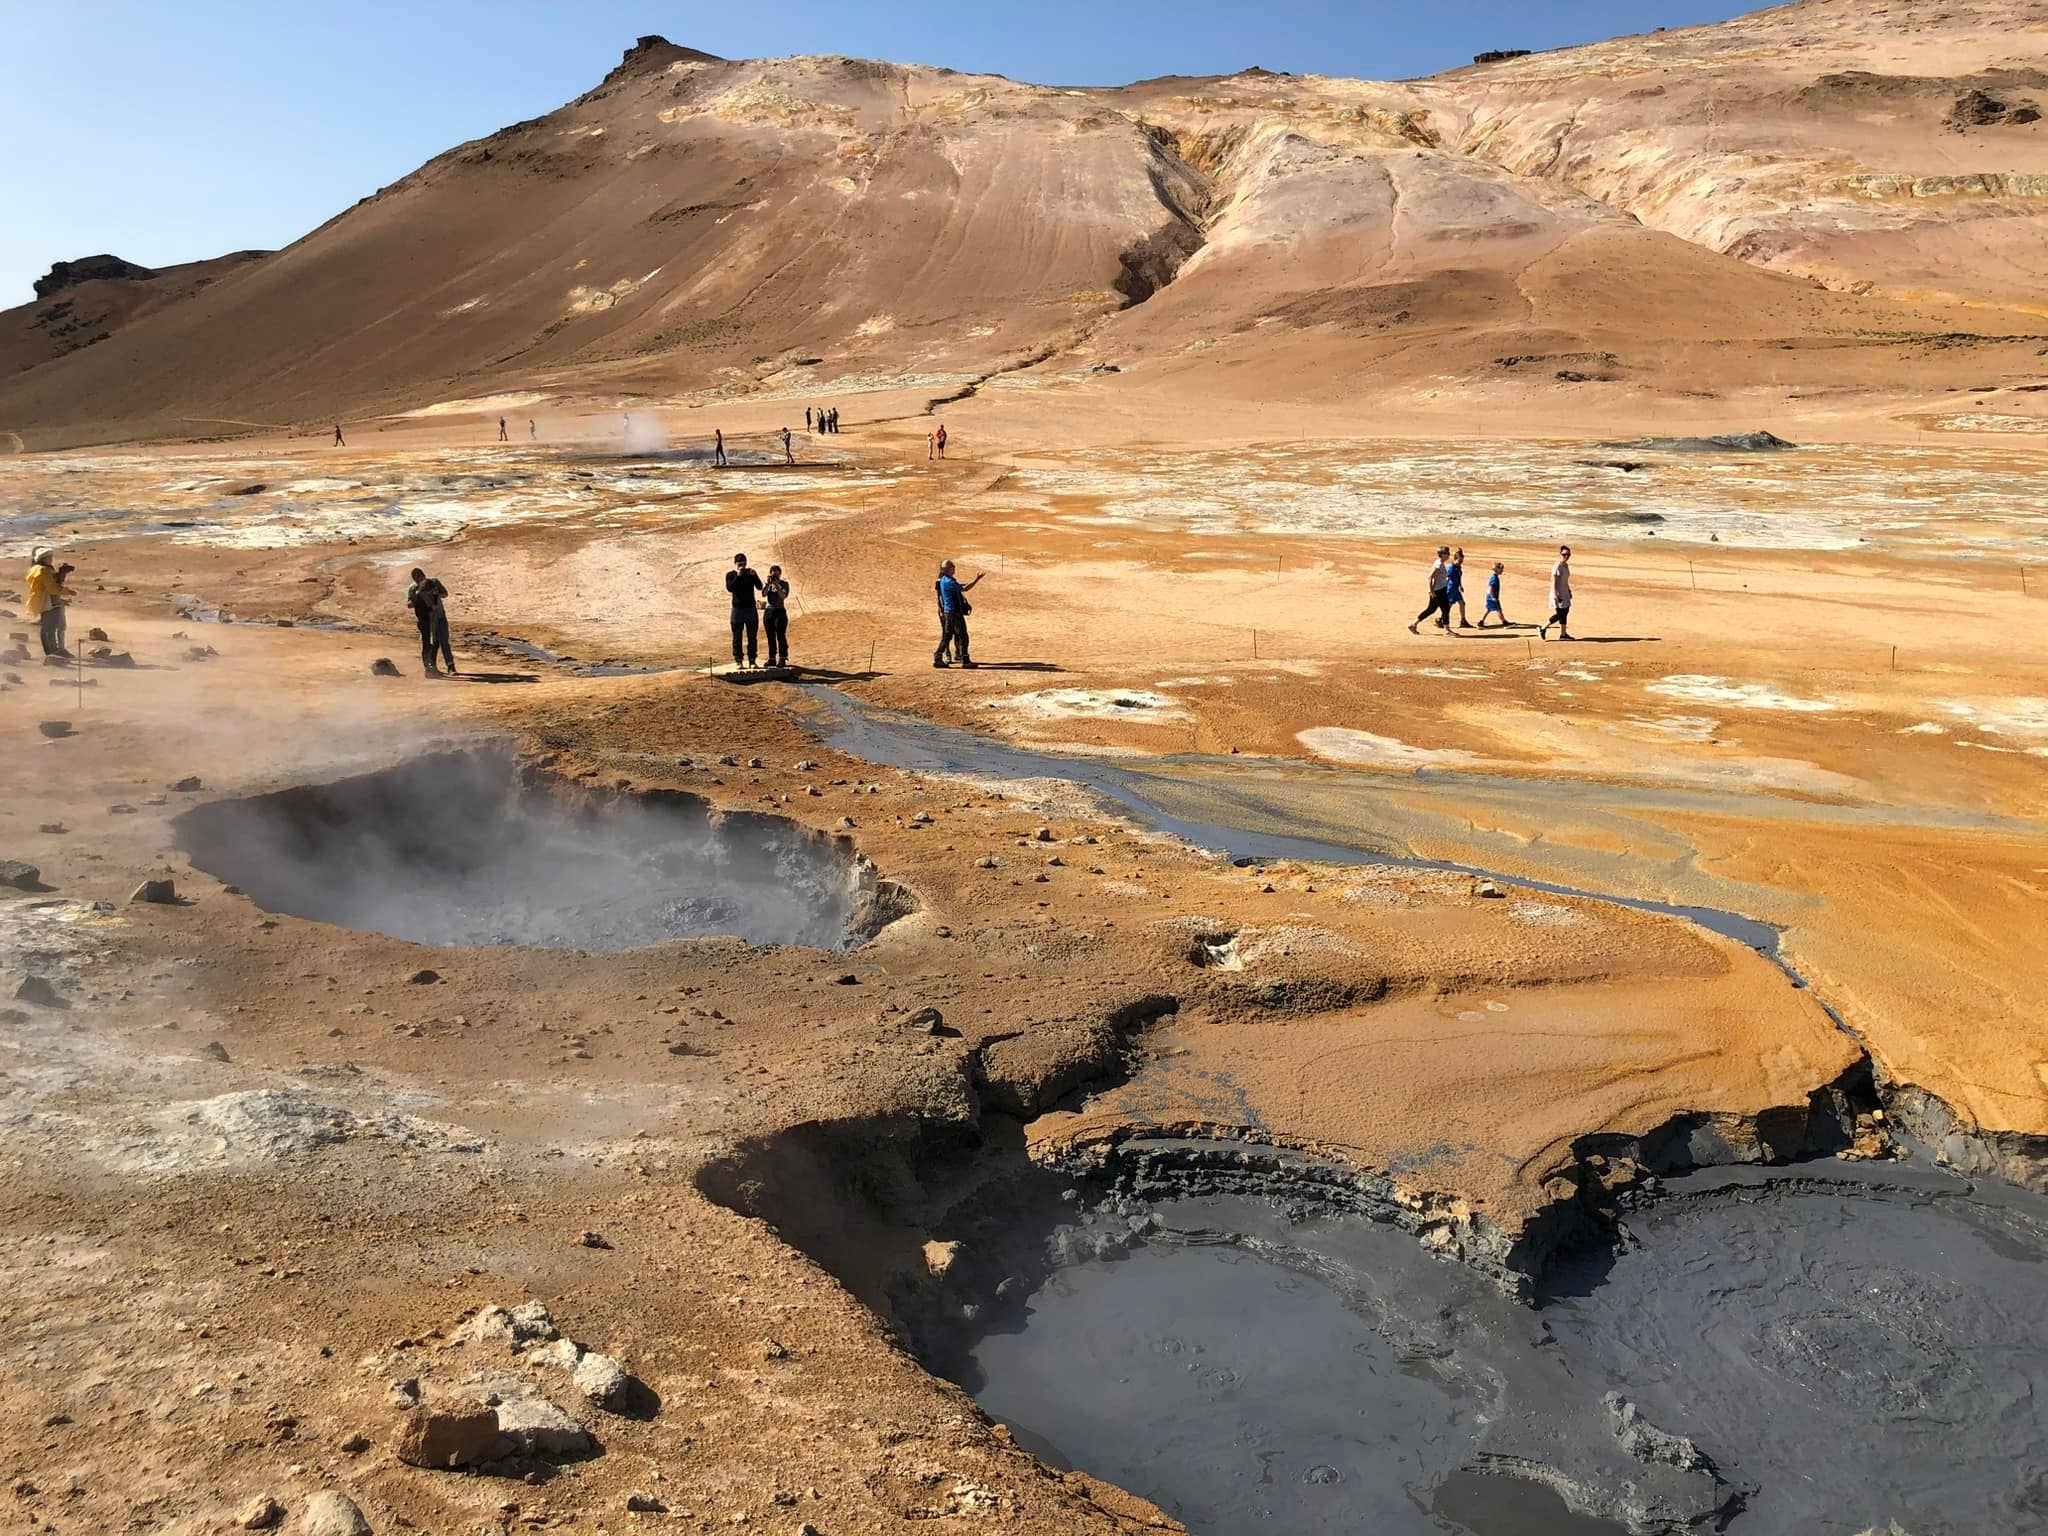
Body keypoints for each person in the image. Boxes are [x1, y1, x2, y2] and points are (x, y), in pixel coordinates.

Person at [933, 559, 983, 668]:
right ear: (948, 569)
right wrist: (976, 579)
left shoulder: (944, 580)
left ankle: (937, 658)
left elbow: (959, 586)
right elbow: (964, 588)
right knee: (963, 636)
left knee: (946, 637)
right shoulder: (948, 582)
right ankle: (965, 660)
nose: (954, 568)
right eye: (952, 566)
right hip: (954, 613)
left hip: (948, 612)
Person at [406, 567, 456, 676]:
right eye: (417, 579)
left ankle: (446, 666)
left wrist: (435, 593)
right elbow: (409, 605)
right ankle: (428, 668)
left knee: (441, 641)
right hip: (424, 620)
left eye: (421, 577)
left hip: (439, 616)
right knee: (428, 644)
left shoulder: (433, 582)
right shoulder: (413, 589)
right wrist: (418, 595)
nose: (420, 580)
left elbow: (445, 594)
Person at [25, 550, 75, 657]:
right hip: (48, 601)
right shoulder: (43, 570)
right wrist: (67, 591)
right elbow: (52, 588)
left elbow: (52, 583)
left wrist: (61, 574)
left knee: (55, 626)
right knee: (50, 628)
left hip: (49, 600)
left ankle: (57, 650)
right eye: (49, 557)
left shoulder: (38, 569)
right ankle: (53, 652)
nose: (51, 559)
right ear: (44, 558)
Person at [726, 552, 764, 667]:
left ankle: (752, 660)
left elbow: (760, 587)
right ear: (735, 564)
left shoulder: (750, 573)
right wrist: (738, 575)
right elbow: (730, 588)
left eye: (744, 564)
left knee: (752, 636)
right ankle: (738, 660)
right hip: (737, 610)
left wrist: (755, 575)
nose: (742, 566)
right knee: (737, 637)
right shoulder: (731, 575)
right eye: (740, 564)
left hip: (750, 609)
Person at [1408, 546, 1455, 635]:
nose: (1448, 555)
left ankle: (1413, 624)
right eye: (1447, 553)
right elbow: (1430, 577)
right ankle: (1447, 630)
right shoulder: (1439, 565)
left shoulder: (1440, 563)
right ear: (1442, 554)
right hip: (1438, 591)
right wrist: (1431, 591)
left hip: (1438, 589)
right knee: (1445, 609)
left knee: (1431, 609)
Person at [1540, 545, 1574, 641]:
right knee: (1559, 614)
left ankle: (1563, 634)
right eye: (1564, 554)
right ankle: (1543, 628)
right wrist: (1555, 593)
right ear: (1560, 554)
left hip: (1565, 592)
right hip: (1558, 593)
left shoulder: (1566, 566)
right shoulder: (1557, 566)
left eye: (1568, 555)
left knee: (1565, 611)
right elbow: (1553, 581)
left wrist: (1569, 590)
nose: (1566, 556)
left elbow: (1565, 581)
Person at [763, 564, 791, 668]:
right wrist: (767, 584)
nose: (775, 576)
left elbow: (783, 596)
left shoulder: (784, 584)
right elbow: (764, 594)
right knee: (770, 635)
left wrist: (777, 584)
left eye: (777, 574)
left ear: (780, 574)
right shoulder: (769, 584)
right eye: (773, 573)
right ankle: (772, 658)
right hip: (769, 610)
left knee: (780, 635)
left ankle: (783, 658)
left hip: (780, 611)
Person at [1479, 561, 1509, 627]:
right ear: (1497, 569)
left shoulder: (1494, 577)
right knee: (1498, 610)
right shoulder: (1494, 578)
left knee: (1489, 610)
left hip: (1490, 597)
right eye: (1501, 569)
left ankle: (1481, 622)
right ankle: (1504, 622)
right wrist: (1493, 597)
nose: (1502, 570)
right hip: (1492, 597)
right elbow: (1490, 588)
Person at [1447, 547, 1472, 628]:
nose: (1461, 562)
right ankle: (1441, 619)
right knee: (1449, 605)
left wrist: (1461, 585)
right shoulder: (1451, 567)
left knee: (1462, 603)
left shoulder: (1458, 567)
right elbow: (1446, 578)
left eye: (1462, 561)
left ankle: (1463, 620)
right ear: (1455, 559)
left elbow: (1459, 577)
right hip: (1450, 589)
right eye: (1460, 561)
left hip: (1456, 589)